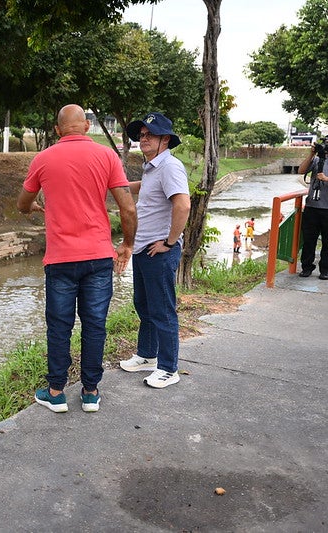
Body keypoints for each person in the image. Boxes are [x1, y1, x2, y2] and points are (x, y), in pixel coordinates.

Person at [17, 104, 137, 413]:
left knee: (59, 327)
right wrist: (127, 244)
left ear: (57, 130)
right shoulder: (107, 156)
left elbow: (22, 204)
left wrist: (33, 207)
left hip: (60, 260)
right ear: (86, 126)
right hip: (98, 257)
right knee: (95, 325)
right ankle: (90, 392)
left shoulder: (43, 159)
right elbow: (127, 207)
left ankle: (56, 392)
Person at [118, 112, 191, 389]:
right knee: (144, 305)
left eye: (150, 134)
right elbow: (146, 188)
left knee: (162, 310)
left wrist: (169, 242)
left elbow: (183, 205)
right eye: (142, 134)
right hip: (143, 247)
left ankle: (169, 368)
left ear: (166, 139)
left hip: (158, 250)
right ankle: (148, 355)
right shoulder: (152, 167)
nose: (144, 138)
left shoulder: (170, 166)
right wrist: (117, 187)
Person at [297, 148, 328, 279]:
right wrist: (311, 154)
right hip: (312, 207)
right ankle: (306, 267)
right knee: (309, 240)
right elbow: (301, 170)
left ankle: (325, 270)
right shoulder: (316, 160)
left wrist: (326, 179)